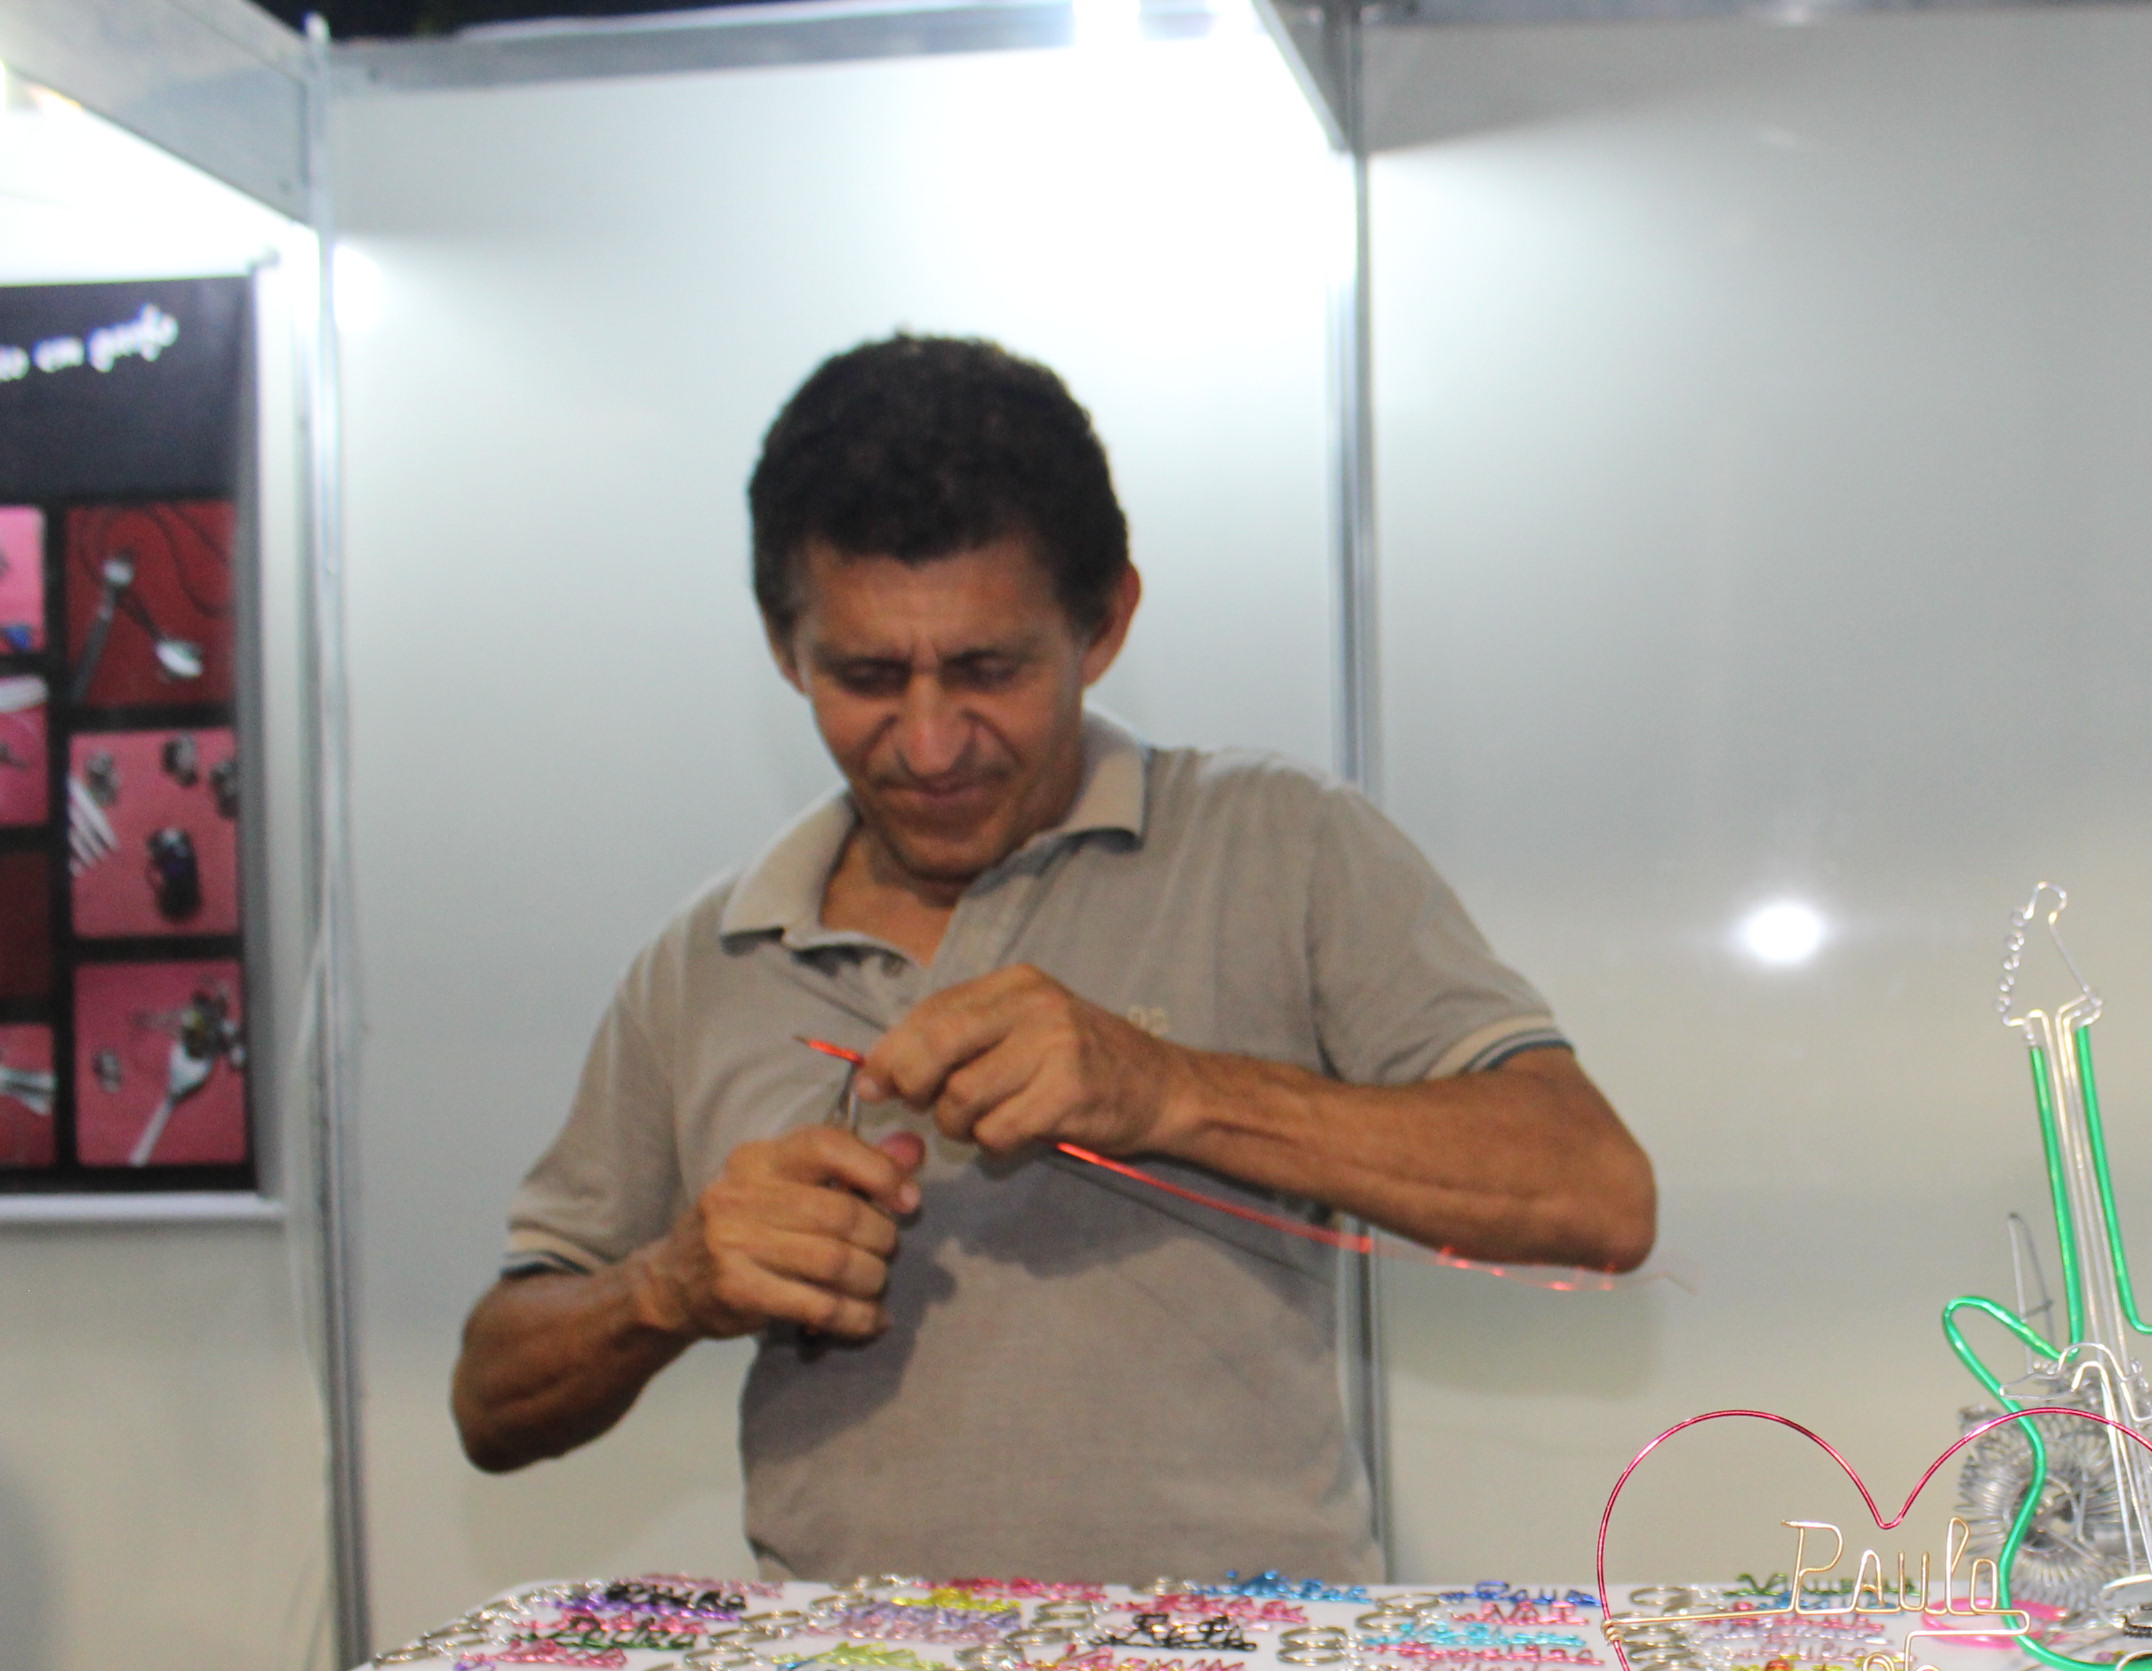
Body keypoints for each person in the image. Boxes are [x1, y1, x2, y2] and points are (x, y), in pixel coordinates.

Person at [450, 335, 1653, 1587]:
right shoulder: (704, 959)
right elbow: (492, 1402)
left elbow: (1595, 1196)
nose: (929, 744)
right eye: (865, 676)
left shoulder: (1282, 844)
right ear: (782, 644)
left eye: (989, 670)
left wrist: (1169, 1088)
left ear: (1105, 620)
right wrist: (668, 1286)